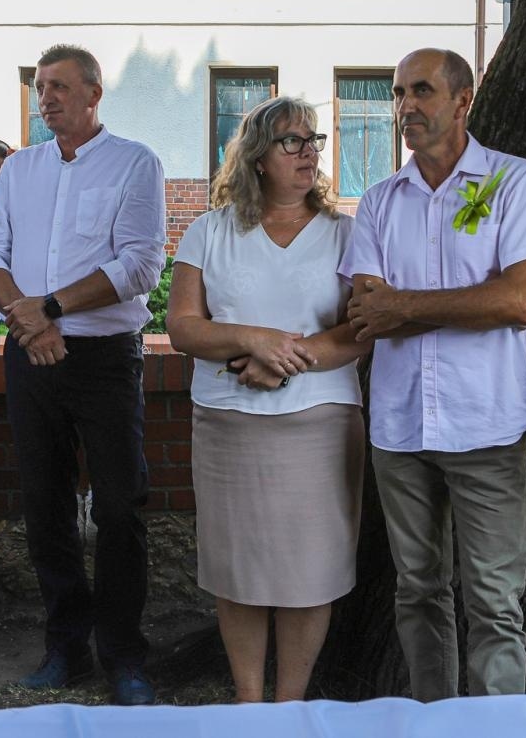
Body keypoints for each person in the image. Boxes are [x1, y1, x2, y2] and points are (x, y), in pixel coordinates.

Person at [340, 48, 526, 701]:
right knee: (417, 592)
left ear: (462, 100)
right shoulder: (382, 202)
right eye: (397, 94)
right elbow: (366, 315)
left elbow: (519, 302)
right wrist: (467, 302)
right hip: (400, 426)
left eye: (421, 91)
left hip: (488, 424)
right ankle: (436, 720)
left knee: (496, 603)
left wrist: (407, 304)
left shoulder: (515, 184)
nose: (405, 107)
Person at [165, 96, 369, 703]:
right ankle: (249, 704)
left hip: (321, 422)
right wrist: (254, 339)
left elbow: (360, 330)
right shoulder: (209, 230)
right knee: (239, 571)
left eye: (314, 141)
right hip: (229, 425)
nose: (309, 152)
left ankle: (290, 706)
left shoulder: (346, 232)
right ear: (257, 157)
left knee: (313, 571)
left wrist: (283, 362)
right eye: (292, 142)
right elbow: (182, 327)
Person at [0, 44, 166, 706]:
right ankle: (66, 648)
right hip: (31, 356)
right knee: (45, 504)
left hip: (104, 358)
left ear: (93, 93)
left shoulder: (134, 163)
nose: (46, 97)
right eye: (39, 86)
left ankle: (123, 654)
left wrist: (52, 308)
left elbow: (142, 264)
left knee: (120, 505)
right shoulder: (21, 170)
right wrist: (30, 323)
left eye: (59, 86)